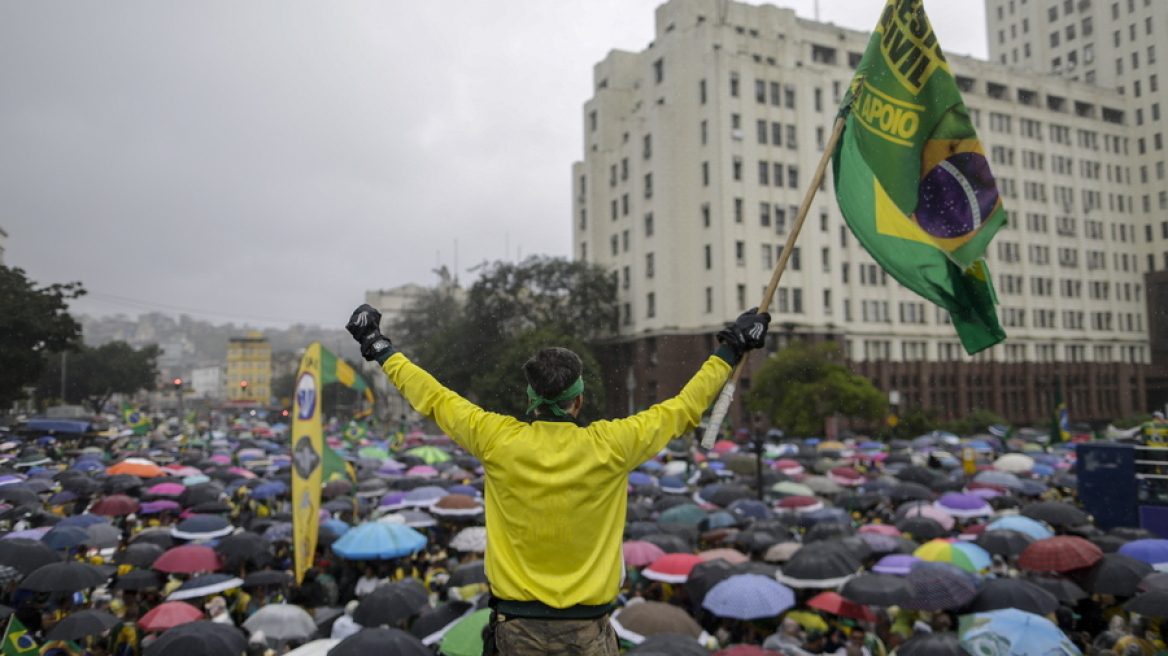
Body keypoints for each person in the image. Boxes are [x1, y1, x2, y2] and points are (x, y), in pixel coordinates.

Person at [346, 303, 770, 655]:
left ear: (531, 399)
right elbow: (684, 407)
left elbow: (433, 397)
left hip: (516, 630)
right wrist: (730, 349)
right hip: (588, 632)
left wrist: (379, 347)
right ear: (579, 400)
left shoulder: (496, 440)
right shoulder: (613, 445)